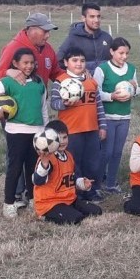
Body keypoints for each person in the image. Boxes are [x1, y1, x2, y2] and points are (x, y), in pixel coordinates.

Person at [0, 12, 62, 205]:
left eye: (49, 31)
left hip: (37, 114)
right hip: (17, 115)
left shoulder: (47, 49)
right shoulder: (14, 47)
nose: (48, 36)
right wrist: (8, 71)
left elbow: (56, 72)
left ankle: (32, 194)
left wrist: (73, 77)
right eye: (44, 31)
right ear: (31, 30)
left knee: (34, 155)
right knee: (17, 156)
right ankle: (15, 194)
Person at [0, 48, 48, 219]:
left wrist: (45, 130)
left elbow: (43, 108)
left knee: (33, 168)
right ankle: (9, 203)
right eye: (25, 63)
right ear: (15, 64)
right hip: (16, 132)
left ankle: (34, 199)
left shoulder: (39, 82)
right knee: (15, 168)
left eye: (32, 63)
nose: (29, 66)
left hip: (37, 133)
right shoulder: (8, 82)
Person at [51, 47, 107, 202]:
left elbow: (98, 105)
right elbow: (54, 103)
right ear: (65, 63)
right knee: (74, 162)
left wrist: (102, 126)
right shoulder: (60, 81)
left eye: (82, 61)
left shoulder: (91, 81)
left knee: (92, 163)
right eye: (74, 60)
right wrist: (65, 103)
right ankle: (77, 191)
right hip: (71, 130)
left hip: (91, 129)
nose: (79, 64)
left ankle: (91, 190)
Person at [93, 37, 140, 194]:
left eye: (127, 53)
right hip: (107, 117)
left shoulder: (132, 69)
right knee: (106, 152)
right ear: (112, 52)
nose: (124, 57)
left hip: (124, 117)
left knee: (117, 152)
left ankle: (111, 183)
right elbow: (95, 92)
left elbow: (137, 90)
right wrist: (111, 96)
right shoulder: (102, 69)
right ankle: (96, 183)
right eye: (121, 53)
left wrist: (134, 89)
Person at [32, 120, 102, 224]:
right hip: (50, 203)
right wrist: (44, 164)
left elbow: (70, 180)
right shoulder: (47, 159)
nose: (62, 142)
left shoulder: (69, 156)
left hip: (68, 199)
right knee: (76, 219)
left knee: (96, 211)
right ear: (50, 140)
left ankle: (69, 210)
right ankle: (44, 216)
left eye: (65, 137)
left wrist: (82, 184)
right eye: (58, 139)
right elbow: (38, 181)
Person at [57, 2, 113, 74]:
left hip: (105, 83)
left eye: (98, 16)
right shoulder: (73, 39)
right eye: (92, 17)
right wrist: (77, 72)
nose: (96, 20)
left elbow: (115, 61)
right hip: (83, 83)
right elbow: (59, 60)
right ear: (83, 18)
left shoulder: (107, 38)